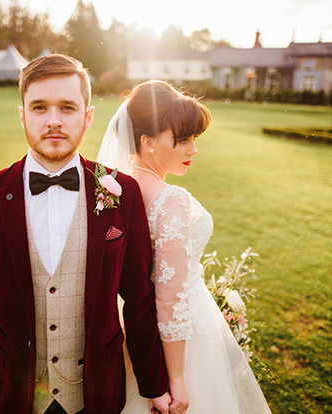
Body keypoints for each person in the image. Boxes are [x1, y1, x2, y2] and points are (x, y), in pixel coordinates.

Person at [0, 55, 172, 414]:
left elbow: (139, 298)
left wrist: (154, 385)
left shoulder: (122, 192)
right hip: (15, 395)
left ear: (87, 117)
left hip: (98, 392)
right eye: (39, 107)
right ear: (22, 115)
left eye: (67, 107)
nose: (53, 121)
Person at [97, 80, 271, 414]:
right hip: (179, 344)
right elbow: (170, 299)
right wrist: (174, 379)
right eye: (185, 139)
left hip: (132, 329)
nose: (194, 150)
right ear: (148, 141)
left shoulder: (115, 189)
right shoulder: (169, 199)